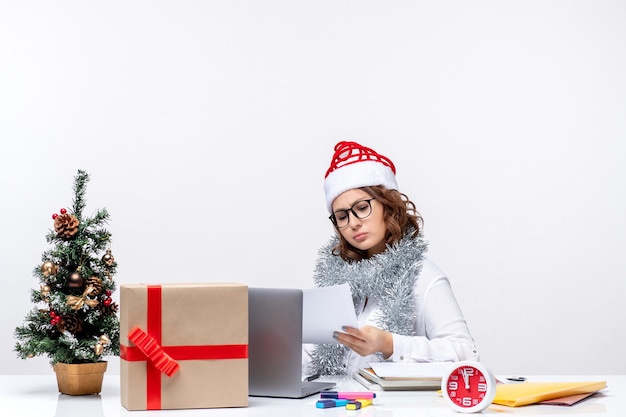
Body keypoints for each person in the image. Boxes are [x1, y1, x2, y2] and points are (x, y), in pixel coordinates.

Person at [304, 141, 479, 377]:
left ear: (388, 205)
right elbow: (313, 356)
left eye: (362, 207)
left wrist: (389, 344)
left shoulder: (424, 277)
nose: (353, 222)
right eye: (342, 216)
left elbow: (466, 353)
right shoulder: (336, 283)